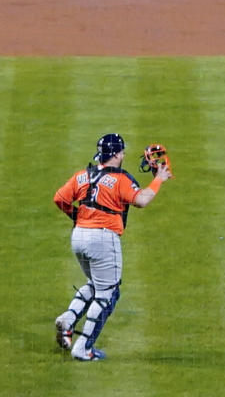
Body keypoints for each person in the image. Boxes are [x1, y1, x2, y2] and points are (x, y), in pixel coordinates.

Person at [53, 133, 172, 361]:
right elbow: (141, 200)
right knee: (109, 293)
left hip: (79, 236)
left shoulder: (82, 175)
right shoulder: (121, 179)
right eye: (122, 151)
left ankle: (68, 319)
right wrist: (159, 179)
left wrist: (77, 216)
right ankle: (83, 348)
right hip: (103, 238)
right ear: (117, 154)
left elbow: (59, 199)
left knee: (96, 284)